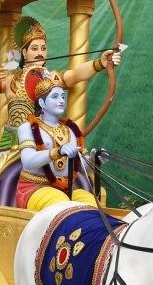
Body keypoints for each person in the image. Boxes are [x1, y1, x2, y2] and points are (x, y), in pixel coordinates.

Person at [0, 17, 119, 133]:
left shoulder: (51, 79)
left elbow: (77, 74)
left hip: (43, 138)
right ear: (24, 52)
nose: (40, 52)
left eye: (43, 48)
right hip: (12, 140)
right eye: (34, 49)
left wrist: (100, 63)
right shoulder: (10, 81)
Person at [15, 73, 100, 211]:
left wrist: (93, 160)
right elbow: (28, 161)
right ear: (42, 103)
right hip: (34, 188)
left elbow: (82, 168)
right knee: (62, 206)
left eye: (62, 96)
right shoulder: (28, 128)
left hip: (66, 189)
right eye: (55, 97)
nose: (61, 100)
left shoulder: (71, 130)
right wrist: (57, 152)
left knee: (91, 205)